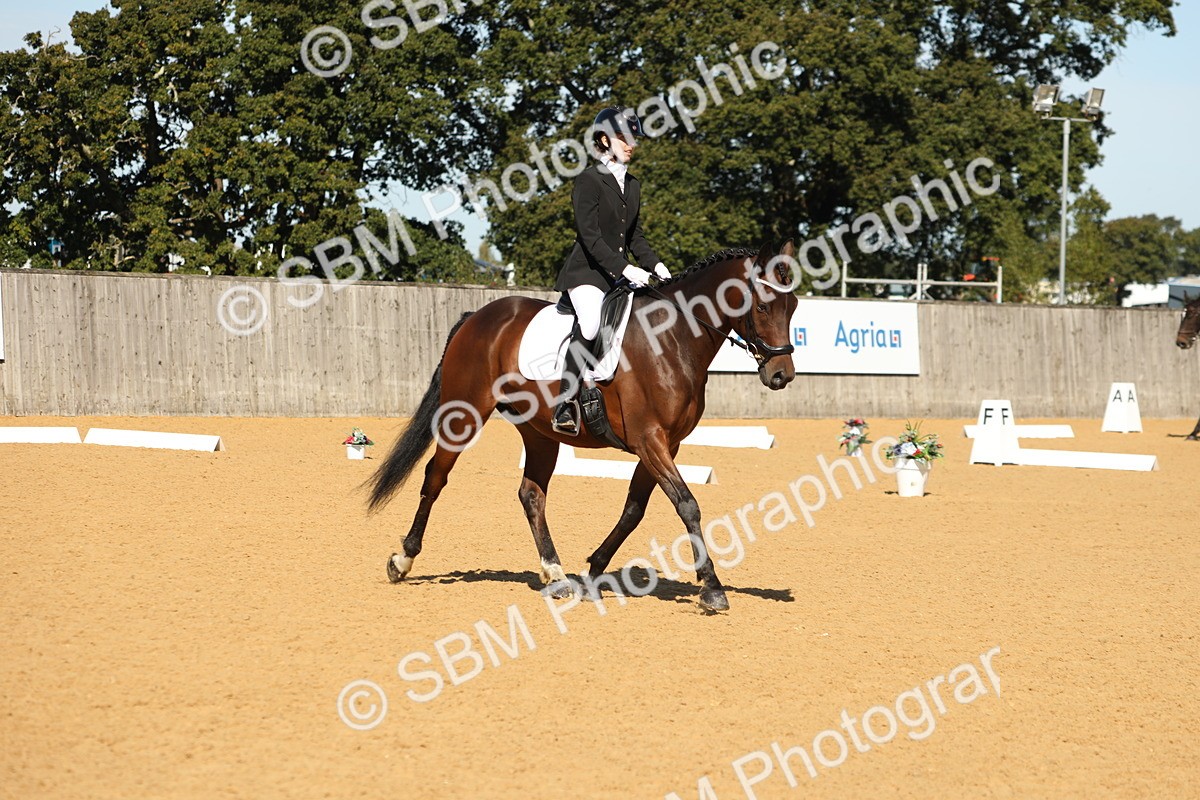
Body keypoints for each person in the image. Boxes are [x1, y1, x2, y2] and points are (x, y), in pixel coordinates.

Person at [551, 106, 671, 435]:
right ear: (605, 139)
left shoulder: (633, 186)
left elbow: (635, 237)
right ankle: (564, 402)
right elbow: (590, 238)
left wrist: (657, 265)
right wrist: (628, 270)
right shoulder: (589, 180)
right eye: (624, 138)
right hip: (586, 274)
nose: (631, 144)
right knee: (590, 323)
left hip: (617, 276)